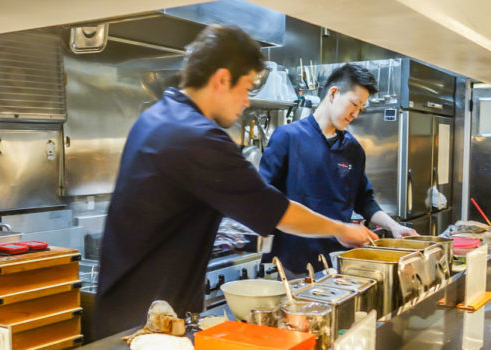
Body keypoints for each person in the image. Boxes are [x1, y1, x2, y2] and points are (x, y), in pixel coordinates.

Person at [93, 26, 378, 339]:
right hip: (147, 321)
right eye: (247, 88)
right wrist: (341, 229)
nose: (246, 101)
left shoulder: (160, 115)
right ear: (221, 80)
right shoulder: (197, 137)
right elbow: (275, 210)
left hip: (131, 309)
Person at [259, 63, 418, 278]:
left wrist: (394, 227)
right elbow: (266, 198)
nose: (355, 114)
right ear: (333, 93)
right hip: (293, 266)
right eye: (354, 104)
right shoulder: (288, 137)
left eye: (361, 108)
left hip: (340, 263)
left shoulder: (353, 149)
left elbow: (364, 200)